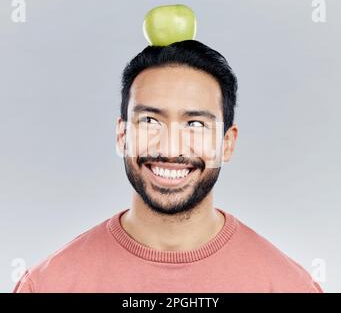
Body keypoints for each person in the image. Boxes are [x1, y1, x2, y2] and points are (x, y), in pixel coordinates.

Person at [14, 40, 323, 292]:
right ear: (122, 135)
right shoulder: (47, 285)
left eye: (196, 124)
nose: (171, 148)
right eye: (150, 120)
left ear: (227, 143)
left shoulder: (289, 286)